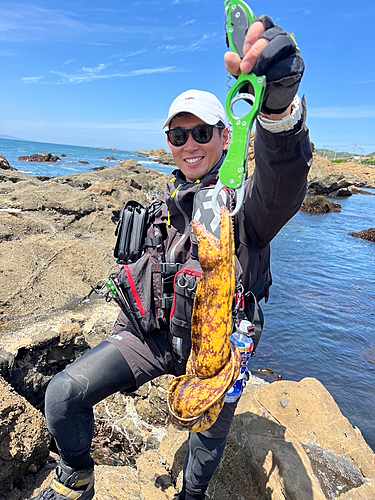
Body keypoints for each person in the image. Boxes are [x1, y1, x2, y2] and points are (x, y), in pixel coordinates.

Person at [32, 15, 312, 500]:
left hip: (218, 352)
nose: (189, 145)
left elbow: (281, 187)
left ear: (227, 137)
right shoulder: (164, 205)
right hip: (156, 340)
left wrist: (279, 109)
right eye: (178, 136)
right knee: (62, 394)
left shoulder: (242, 206)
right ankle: (76, 475)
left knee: (205, 440)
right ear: (169, 145)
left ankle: (192, 495)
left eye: (201, 133)